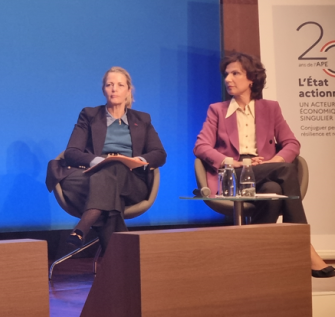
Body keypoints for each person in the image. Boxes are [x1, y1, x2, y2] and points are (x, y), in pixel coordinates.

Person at [194, 52, 334, 278]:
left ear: (251, 79)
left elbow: (292, 143)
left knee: (274, 189)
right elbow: (201, 146)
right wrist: (235, 163)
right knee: (286, 170)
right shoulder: (217, 110)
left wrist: (273, 162)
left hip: (266, 173)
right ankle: (302, 245)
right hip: (234, 176)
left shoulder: (271, 108)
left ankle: (254, 258)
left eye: (235, 73)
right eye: (226, 74)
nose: (228, 79)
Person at [46, 66, 166, 252]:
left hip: (131, 180)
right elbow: (72, 152)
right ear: (103, 89)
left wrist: (135, 161)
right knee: (109, 180)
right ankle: (120, 263)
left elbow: (159, 154)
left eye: (120, 85)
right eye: (109, 85)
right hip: (88, 176)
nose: (114, 89)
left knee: (115, 166)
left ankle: (82, 227)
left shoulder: (142, 119)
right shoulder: (89, 115)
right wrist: (100, 161)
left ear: (128, 90)